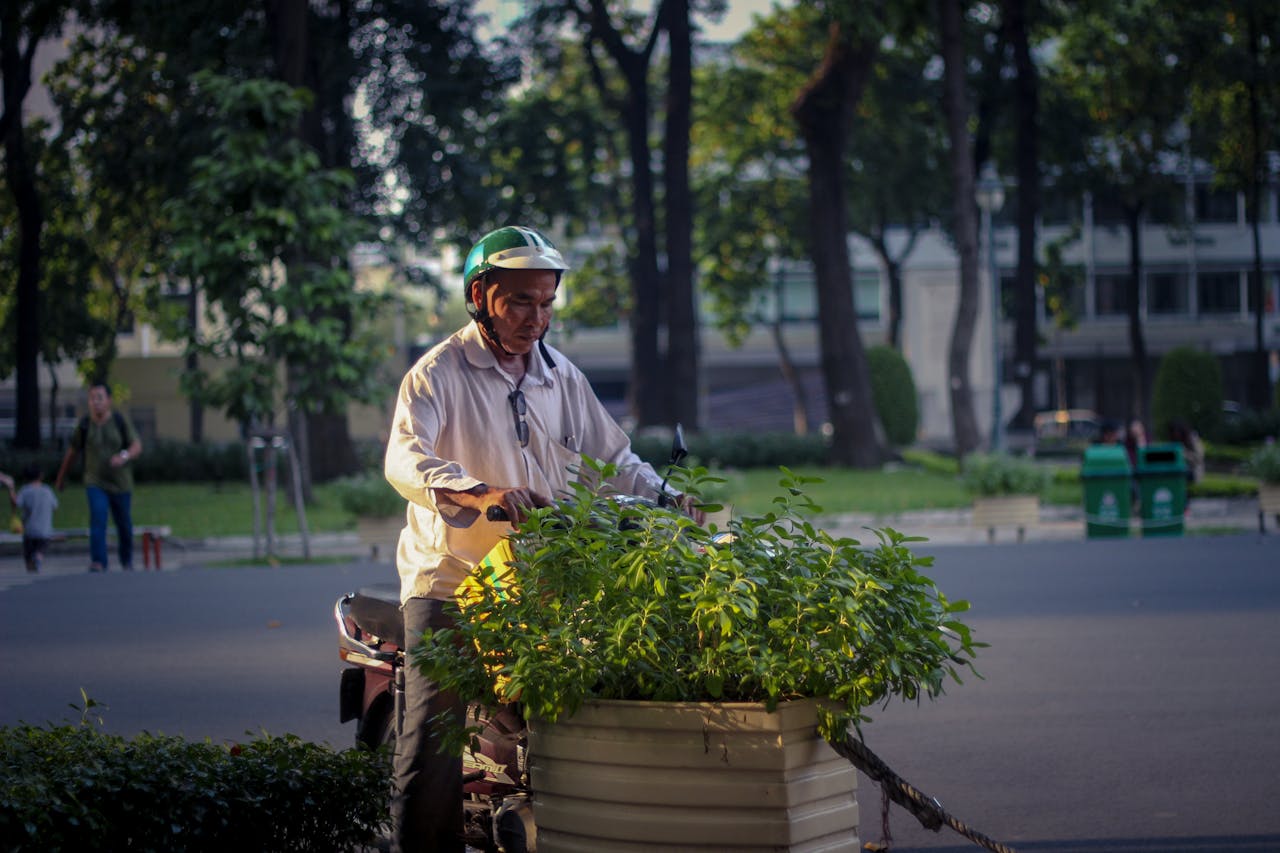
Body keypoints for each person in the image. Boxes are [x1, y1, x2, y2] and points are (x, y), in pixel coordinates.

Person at [383, 225, 700, 853]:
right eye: (521, 301)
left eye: (547, 302)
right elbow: (404, 459)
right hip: (451, 583)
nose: (537, 317)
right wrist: (480, 493)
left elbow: (615, 462)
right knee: (431, 744)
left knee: (585, 718)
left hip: (540, 584)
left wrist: (666, 499)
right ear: (481, 295)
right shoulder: (437, 374)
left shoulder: (562, 378)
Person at [55, 383, 142, 572]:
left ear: (109, 400)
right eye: (92, 398)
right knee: (98, 517)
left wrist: (123, 457)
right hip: (95, 481)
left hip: (121, 483)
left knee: (124, 525)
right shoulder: (85, 424)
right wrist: (61, 477)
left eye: (100, 398)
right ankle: (98, 561)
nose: (96, 402)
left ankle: (126, 560)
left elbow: (136, 445)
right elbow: (72, 452)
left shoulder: (119, 420)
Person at [1, 465, 58, 573]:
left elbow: (16, 503)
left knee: (28, 555)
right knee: (40, 549)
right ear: (41, 476)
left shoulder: (25, 491)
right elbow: (55, 507)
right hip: (45, 531)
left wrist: (11, 488)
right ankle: (38, 557)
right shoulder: (47, 490)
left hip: (29, 531)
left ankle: (31, 567)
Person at [1168, 418, 1205, 484]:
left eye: (1176, 431)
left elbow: (1199, 458)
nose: (1175, 434)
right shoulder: (1175, 441)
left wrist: (1183, 454)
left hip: (1193, 472)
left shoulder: (1193, 438)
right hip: (1179, 470)